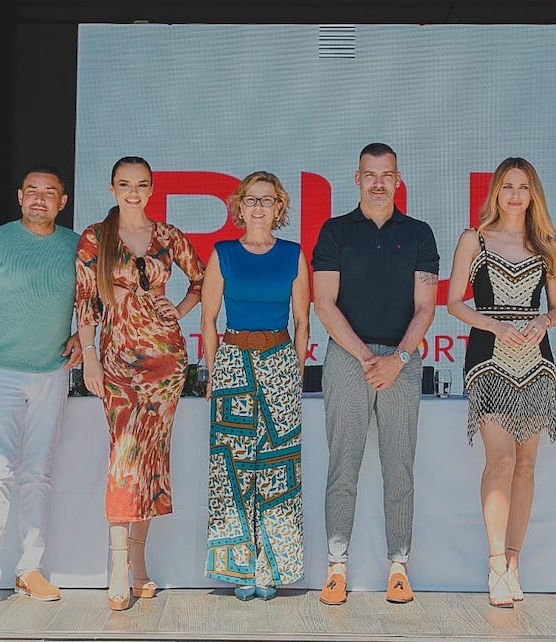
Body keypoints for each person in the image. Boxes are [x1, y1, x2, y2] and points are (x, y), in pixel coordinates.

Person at [311, 143, 439, 605]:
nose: (379, 183)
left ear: (398, 178)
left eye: (387, 175)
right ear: (358, 177)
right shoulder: (335, 231)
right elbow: (323, 302)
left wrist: (399, 358)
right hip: (349, 358)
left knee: (398, 466)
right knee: (343, 464)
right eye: (371, 174)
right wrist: (368, 358)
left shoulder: (420, 233)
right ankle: (336, 567)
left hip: (403, 360)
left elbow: (426, 305)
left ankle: (399, 566)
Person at [75, 156, 205, 611]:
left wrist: (181, 311)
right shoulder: (96, 237)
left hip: (166, 360)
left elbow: (204, 280)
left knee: (152, 457)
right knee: (124, 457)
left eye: (142, 185)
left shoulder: (168, 237)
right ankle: (116, 568)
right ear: (112, 187)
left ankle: (140, 563)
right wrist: (89, 357)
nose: (133, 192)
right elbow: (87, 302)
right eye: (125, 184)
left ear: (152, 189)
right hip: (116, 359)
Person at [0, 165, 83, 611]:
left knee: (39, 472)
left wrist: (83, 338)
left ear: (62, 202)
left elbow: (99, 301)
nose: (40, 199)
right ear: (19, 196)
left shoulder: (76, 246)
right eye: (33, 191)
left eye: (50, 193)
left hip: (52, 373)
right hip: (0, 372)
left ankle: (29, 570)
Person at [445, 157, 556, 608]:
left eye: (523, 186)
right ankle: (496, 564)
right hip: (489, 358)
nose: (515, 194)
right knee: (500, 461)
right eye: (508, 186)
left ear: (533, 193)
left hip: (536, 360)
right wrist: (496, 326)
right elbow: (455, 303)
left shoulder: (548, 243)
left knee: (527, 465)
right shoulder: (474, 239)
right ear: (496, 191)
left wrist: (544, 322)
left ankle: (515, 562)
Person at [200, 171, 311, 601]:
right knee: (232, 465)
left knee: (279, 465)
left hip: (280, 360)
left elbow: (303, 322)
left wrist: (294, 370)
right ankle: (238, 569)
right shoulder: (222, 253)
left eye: (268, 200)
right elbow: (208, 320)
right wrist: (214, 372)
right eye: (251, 200)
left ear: (279, 207)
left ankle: (273, 568)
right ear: (240, 207)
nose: (259, 207)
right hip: (232, 361)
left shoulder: (293, 255)